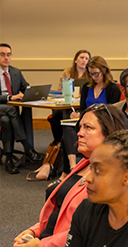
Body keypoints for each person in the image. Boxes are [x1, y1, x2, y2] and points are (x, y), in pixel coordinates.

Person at [0, 104, 128, 247]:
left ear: (109, 134)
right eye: (80, 127)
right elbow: (58, 213)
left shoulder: (109, 179)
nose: (79, 133)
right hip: (46, 243)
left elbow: (87, 234)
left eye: (88, 128)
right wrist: (33, 231)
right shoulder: (84, 164)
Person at [56, 56, 121, 185]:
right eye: (91, 74)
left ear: (104, 71)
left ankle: (66, 173)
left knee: (66, 137)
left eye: (96, 73)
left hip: (103, 123)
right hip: (85, 120)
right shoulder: (87, 87)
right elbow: (82, 108)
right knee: (67, 129)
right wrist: (78, 114)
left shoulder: (113, 88)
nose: (94, 77)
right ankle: (72, 166)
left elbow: (112, 112)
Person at [29, 50, 91, 181]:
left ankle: (64, 150)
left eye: (86, 58)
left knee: (68, 122)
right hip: (67, 101)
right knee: (57, 115)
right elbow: (60, 90)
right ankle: (60, 141)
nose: (84, 60)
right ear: (75, 59)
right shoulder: (67, 72)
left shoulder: (89, 75)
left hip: (81, 105)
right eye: (81, 57)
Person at [0, 43, 43, 174]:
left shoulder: (15, 72)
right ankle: (28, 148)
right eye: (2, 55)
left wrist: (33, 94)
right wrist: (10, 98)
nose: (6, 58)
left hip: (6, 112)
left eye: (8, 54)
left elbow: (26, 87)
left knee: (6, 121)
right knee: (12, 110)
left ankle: (8, 160)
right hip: (5, 105)